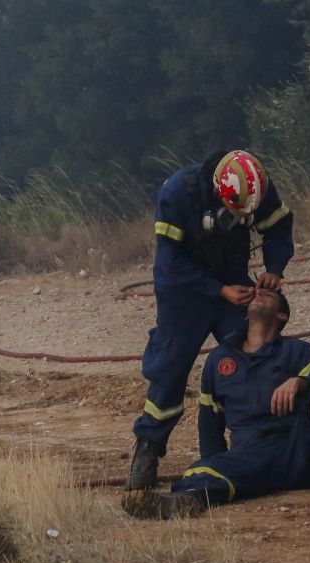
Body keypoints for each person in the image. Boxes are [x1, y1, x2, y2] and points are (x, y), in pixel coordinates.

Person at [126, 150, 295, 490]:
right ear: (219, 192)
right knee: (170, 366)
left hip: (232, 282)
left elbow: (278, 227)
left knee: (254, 352)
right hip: (183, 291)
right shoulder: (177, 193)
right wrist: (218, 290)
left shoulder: (257, 188)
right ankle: (148, 448)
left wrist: (274, 269)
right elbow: (170, 262)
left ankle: (264, 440)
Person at [121, 287, 310, 520]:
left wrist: (300, 381)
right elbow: (209, 424)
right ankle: (184, 502)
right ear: (246, 315)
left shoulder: (298, 351)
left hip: (301, 452)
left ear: (282, 316)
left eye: (269, 295)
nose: (259, 292)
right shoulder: (219, 359)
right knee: (200, 470)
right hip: (251, 455)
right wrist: (218, 463)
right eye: (256, 293)